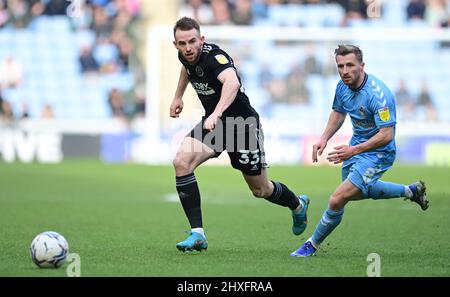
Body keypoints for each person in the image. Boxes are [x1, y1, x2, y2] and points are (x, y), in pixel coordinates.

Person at [170, 17, 309, 252]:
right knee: (181, 162)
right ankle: (198, 234)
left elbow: (232, 83)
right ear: (176, 45)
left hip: (242, 125)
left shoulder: (215, 57)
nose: (188, 48)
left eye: (192, 41)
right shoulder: (185, 55)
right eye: (182, 43)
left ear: (201, 40)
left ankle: (297, 206)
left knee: (260, 189)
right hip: (217, 126)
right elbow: (186, 70)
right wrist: (178, 96)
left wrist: (217, 112)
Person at [290, 45, 429, 258]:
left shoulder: (379, 95)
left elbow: (386, 135)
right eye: (340, 66)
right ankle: (411, 191)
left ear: (362, 66)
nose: (345, 71)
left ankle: (311, 245)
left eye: (350, 65)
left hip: (379, 152)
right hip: (357, 147)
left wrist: (353, 151)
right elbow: (338, 112)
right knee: (359, 192)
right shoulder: (342, 86)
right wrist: (324, 138)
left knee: (337, 199)